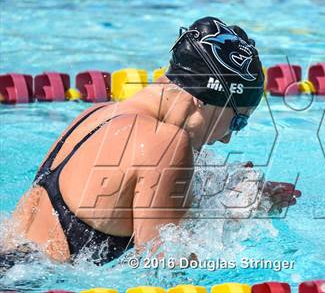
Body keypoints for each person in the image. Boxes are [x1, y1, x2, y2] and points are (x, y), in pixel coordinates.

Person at [1, 17, 300, 267]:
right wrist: (237, 215)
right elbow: (165, 270)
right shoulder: (167, 144)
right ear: (209, 99)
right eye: (238, 121)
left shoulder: (97, 114)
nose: (226, 138)